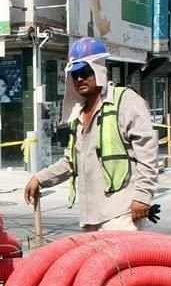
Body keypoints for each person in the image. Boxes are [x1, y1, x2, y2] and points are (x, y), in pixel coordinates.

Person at [24, 37, 159, 231]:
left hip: (121, 214)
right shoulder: (78, 115)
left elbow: (148, 153)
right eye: (75, 74)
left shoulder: (126, 102)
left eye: (86, 72)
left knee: (118, 263)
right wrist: (40, 178)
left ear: (99, 71)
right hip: (91, 217)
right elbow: (71, 162)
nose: (80, 79)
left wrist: (142, 197)